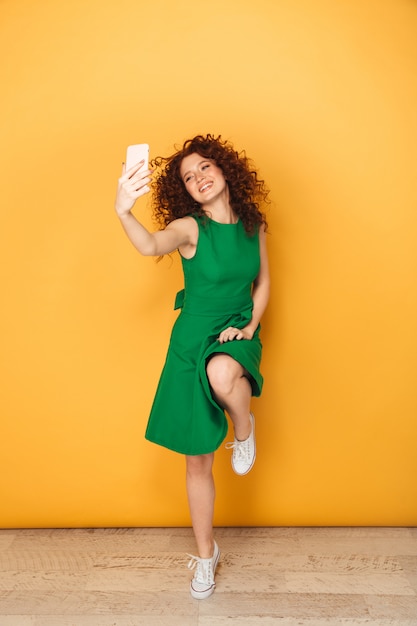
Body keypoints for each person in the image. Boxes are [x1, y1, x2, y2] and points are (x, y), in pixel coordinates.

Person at [114, 134, 270, 599]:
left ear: (223, 170)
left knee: (222, 373)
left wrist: (248, 328)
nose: (198, 178)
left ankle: (245, 428)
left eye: (204, 168)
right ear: (184, 190)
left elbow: (263, 284)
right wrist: (124, 211)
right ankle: (207, 557)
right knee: (198, 462)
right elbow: (150, 245)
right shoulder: (190, 228)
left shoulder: (253, 224)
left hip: (237, 331)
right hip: (190, 342)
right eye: (188, 176)